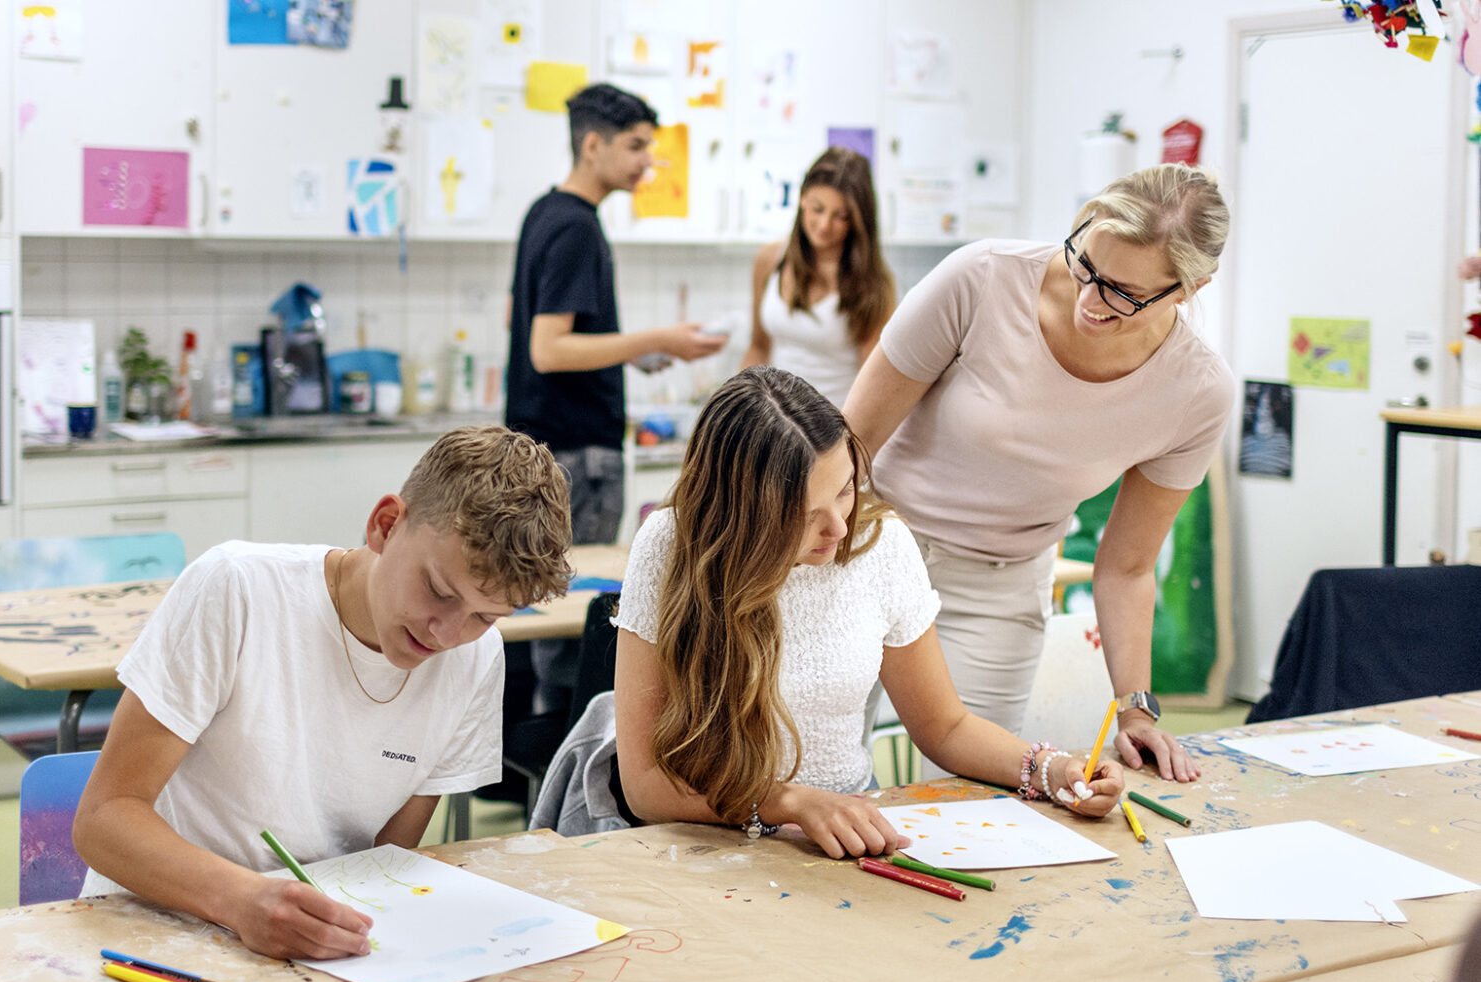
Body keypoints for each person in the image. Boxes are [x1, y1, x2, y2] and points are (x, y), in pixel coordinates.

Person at [73, 426, 574, 961]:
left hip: (301, 949)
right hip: (151, 931)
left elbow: (382, 865)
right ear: (386, 525)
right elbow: (104, 818)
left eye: (484, 616)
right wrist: (243, 901)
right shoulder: (237, 589)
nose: (446, 634)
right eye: (439, 591)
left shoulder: (475, 658)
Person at [613, 368, 1124, 859]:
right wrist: (785, 801)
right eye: (804, 515)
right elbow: (644, 787)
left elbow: (944, 727)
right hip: (708, 842)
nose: (838, 527)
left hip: (849, 834)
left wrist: (1049, 768)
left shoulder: (881, 546)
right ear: (738, 515)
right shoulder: (669, 545)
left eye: (844, 489)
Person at [844, 163, 1235, 784]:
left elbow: (1128, 565)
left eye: (1124, 293)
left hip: (997, 587)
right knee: (816, 774)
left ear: (1189, 289)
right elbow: (851, 442)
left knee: (966, 798)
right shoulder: (982, 277)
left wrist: (1136, 711)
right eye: (1087, 265)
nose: (1089, 300)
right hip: (865, 553)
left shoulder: (1196, 391)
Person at [506, 81, 728, 712]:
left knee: (548, 622)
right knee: (573, 638)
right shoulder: (577, 228)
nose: (646, 162)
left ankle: (544, 771)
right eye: (635, 147)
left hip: (544, 446)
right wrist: (655, 338)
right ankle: (574, 779)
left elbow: (528, 328)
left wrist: (635, 350)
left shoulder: (544, 213)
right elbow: (548, 349)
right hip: (578, 457)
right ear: (593, 144)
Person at [740, 146, 896, 406]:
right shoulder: (769, 260)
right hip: (776, 429)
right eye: (817, 208)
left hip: (835, 431)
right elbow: (758, 347)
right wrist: (737, 410)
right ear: (802, 199)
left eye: (840, 216)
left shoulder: (871, 284)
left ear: (858, 221)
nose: (824, 225)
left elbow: (874, 385)